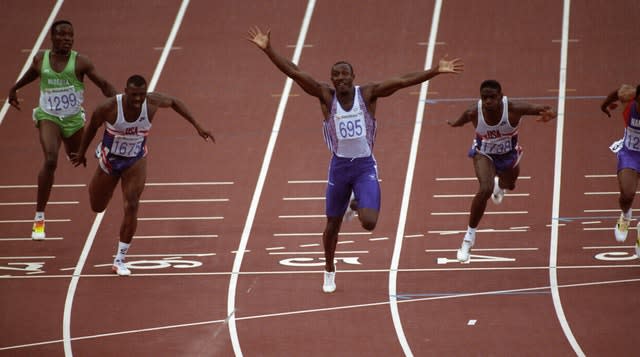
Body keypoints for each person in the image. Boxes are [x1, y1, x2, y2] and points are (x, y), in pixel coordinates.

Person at [247, 26, 463, 292]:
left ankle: (356, 201)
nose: (340, 78)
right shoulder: (325, 96)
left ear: (353, 76)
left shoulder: (368, 94)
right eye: (335, 75)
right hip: (339, 168)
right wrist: (269, 50)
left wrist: (435, 70)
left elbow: (403, 80)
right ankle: (329, 269)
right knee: (332, 227)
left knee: (369, 223)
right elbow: (294, 72)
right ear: (332, 79)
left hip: (364, 167)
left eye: (344, 74)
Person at [70, 75, 214, 276]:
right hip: (110, 160)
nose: (138, 100)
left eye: (142, 95)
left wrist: (197, 125)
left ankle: (120, 259)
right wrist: (82, 152)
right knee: (97, 206)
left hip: (135, 159)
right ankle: (100, 158)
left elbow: (174, 102)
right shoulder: (109, 108)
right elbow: (92, 127)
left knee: (132, 204)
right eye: (134, 95)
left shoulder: (152, 102)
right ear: (125, 92)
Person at [7, 19, 117, 240]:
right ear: (52, 37)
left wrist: (118, 104)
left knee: (76, 155)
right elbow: (32, 73)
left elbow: (104, 85)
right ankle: (39, 218)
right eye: (62, 35)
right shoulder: (41, 59)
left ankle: (80, 152)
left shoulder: (80, 62)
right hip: (48, 116)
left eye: (70, 35)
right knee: (50, 159)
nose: (67, 39)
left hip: (74, 120)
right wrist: (15, 88)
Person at [447, 79, 556, 262]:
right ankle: (468, 238)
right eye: (484, 97)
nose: (488, 101)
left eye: (492, 97)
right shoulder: (474, 112)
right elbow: (461, 121)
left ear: (501, 97)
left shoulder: (514, 109)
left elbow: (546, 108)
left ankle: (500, 185)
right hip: (484, 154)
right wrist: (454, 123)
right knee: (485, 189)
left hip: (508, 155)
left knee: (510, 185)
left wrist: (550, 114)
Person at [600, 83, 640, 258]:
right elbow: (617, 92)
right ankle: (625, 215)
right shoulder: (627, 96)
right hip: (630, 153)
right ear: (636, 99)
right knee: (627, 194)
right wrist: (605, 105)